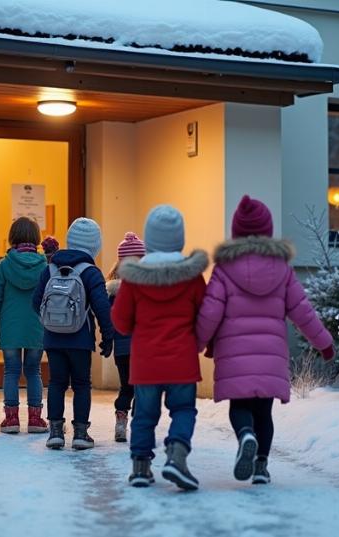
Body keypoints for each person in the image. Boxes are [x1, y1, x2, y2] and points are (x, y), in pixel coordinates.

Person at [196, 195, 335, 485]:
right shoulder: (282, 269)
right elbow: (302, 311)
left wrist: (196, 343)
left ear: (236, 232)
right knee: (264, 413)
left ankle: (245, 436)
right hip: (270, 356)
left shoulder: (224, 269)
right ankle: (261, 465)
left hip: (234, 357)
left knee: (240, 408)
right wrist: (323, 342)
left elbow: (210, 312)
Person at [112, 205, 208, 491]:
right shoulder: (192, 276)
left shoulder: (133, 278)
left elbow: (120, 321)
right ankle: (177, 455)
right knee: (183, 410)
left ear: (150, 240)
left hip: (146, 362)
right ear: (179, 239)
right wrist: (199, 342)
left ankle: (140, 467)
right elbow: (205, 315)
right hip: (182, 360)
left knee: (143, 414)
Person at [32, 218, 115, 450]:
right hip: (80, 339)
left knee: (56, 383)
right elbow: (102, 308)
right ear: (95, 246)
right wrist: (108, 337)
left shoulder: (50, 268)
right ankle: (80, 433)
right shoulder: (91, 272)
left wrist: (50, 323)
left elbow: (36, 301)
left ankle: (55, 432)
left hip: (53, 339)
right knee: (81, 384)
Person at [0, 217, 49, 434]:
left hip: (10, 327)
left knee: (11, 371)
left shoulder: (4, 266)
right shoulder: (45, 266)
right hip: (36, 327)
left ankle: (11, 419)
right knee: (34, 371)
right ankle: (35, 419)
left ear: (13, 237)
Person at [105, 232, 147, 443]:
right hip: (143, 348)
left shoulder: (112, 289)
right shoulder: (147, 286)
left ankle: (121, 422)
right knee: (142, 388)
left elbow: (112, 320)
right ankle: (140, 425)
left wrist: (110, 341)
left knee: (126, 386)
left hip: (122, 349)